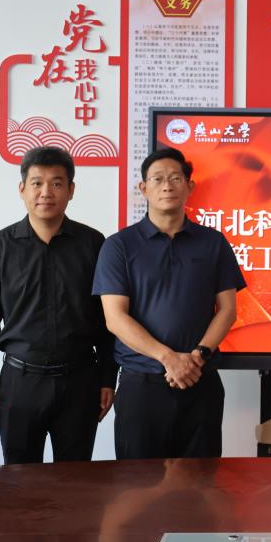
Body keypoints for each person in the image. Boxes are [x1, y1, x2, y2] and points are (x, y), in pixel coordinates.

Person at [93, 147, 245, 459]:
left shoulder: (213, 243)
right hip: (142, 384)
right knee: (138, 481)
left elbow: (228, 310)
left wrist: (197, 357)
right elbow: (115, 318)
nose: (167, 186)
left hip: (200, 380)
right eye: (158, 179)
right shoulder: (119, 246)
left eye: (175, 178)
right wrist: (168, 358)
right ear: (143, 188)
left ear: (190, 186)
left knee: (201, 481)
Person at [0, 146, 116, 464]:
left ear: (71, 190)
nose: (46, 192)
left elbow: (107, 318)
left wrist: (108, 377)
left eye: (57, 183)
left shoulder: (94, 244)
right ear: (22, 189)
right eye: (37, 183)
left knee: (76, 481)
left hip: (80, 381)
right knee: (19, 482)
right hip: (20, 382)